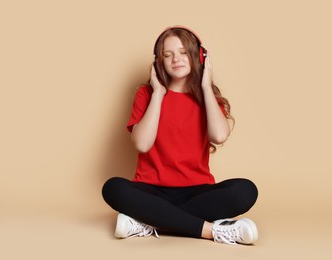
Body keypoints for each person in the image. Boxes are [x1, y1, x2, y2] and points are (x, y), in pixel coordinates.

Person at [101, 26, 259, 245]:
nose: (176, 59)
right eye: (168, 55)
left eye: (183, 52)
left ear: (199, 57)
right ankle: (212, 231)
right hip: (151, 190)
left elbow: (219, 136)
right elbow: (142, 144)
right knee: (113, 188)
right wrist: (158, 93)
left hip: (197, 192)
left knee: (245, 190)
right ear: (159, 62)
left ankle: (149, 222)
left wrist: (205, 86)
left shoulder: (209, 97)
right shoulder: (146, 94)